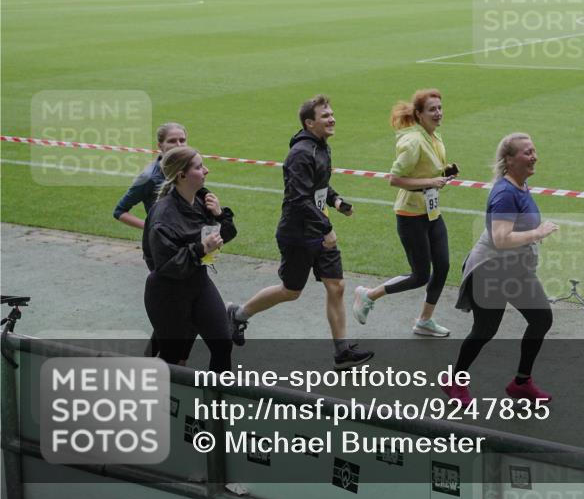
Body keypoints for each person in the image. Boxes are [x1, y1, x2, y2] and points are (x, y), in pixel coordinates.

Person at [228, 95, 372, 369]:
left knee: (336, 286)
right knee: (291, 291)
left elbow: (318, 187)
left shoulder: (321, 147)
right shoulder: (300, 154)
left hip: (317, 228)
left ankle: (342, 352)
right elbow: (299, 199)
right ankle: (238, 315)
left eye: (332, 114)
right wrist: (327, 228)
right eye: (325, 116)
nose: (332, 119)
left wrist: (336, 201)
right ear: (309, 123)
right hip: (298, 234)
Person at [443, 133, 559, 407]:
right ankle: (454, 380)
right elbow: (500, 238)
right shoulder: (506, 193)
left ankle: (521, 382)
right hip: (490, 271)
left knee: (541, 319)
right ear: (509, 160)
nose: (534, 156)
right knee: (485, 329)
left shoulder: (521, 184)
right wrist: (537, 232)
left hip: (514, 271)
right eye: (527, 152)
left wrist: (532, 234)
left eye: (534, 151)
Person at [352, 89, 456, 338]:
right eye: (432, 109)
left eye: (440, 108)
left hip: (431, 213)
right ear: (419, 114)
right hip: (410, 216)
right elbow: (395, 179)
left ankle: (424, 320)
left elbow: (426, 173)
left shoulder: (434, 137)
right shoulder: (412, 142)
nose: (438, 113)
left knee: (442, 267)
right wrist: (431, 181)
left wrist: (444, 172)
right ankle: (368, 294)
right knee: (421, 275)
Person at [142, 146, 237, 373]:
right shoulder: (163, 214)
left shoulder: (203, 200)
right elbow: (165, 265)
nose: (206, 171)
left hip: (198, 282)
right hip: (167, 292)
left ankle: (215, 406)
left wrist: (219, 215)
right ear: (182, 175)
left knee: (222, 344)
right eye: (199, 167)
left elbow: (228, 234)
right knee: (172, 357)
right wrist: (201, 249)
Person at [113, 122, 189, 360]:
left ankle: (162, 360)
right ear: (160, 145)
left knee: (176, 306)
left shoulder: (188, 168)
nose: (178, 145)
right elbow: (120, 210)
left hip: (186, 248)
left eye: (182, 140)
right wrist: (151, 227)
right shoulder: (149, 177)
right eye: (172, 141)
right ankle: (168, 361)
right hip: (161, 251)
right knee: (174, 307)